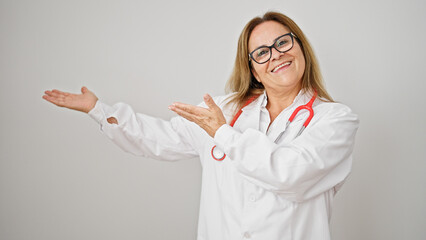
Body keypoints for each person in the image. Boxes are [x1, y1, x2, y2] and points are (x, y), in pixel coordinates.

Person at [43, 11, 359, 240]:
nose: (276, 55)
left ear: (300, 47)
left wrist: (224, 134)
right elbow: (158, 138)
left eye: (283, 43)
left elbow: (290, 176)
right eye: (262, 52)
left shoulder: (335, 120)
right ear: (254, 71)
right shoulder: (225, 110)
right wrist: (98, 109)